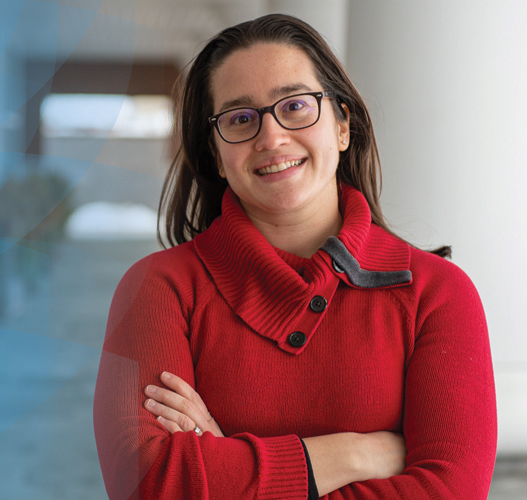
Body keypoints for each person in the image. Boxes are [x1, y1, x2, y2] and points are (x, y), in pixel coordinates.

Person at [92, 14, 496, 500]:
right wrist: (352, 455)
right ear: (217, 155)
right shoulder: (157, 289)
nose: (271, 138)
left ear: (342, 124)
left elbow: (450, 491)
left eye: (297, 106)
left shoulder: (436, 294)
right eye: (240, 119)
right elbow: (147, 485)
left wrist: (226, 467)